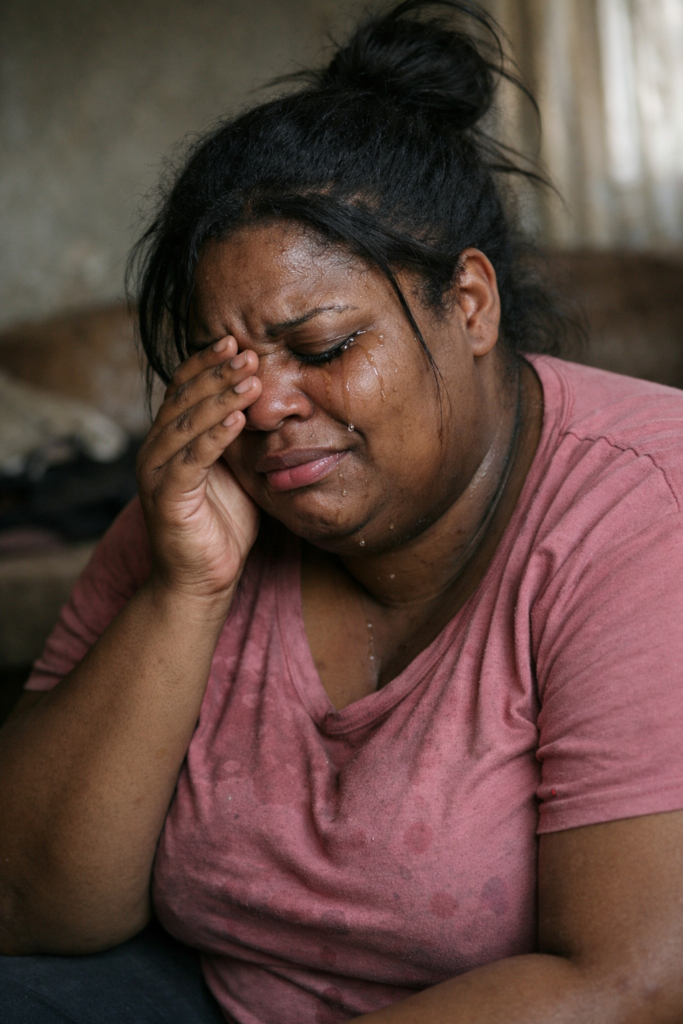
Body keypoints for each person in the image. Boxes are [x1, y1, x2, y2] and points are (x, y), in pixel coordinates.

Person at [1, 1, 683, 1021]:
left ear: (469, 304)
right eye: (220, 363)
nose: (262, 408)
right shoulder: (208, 485)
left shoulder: (639, 506)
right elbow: (32, 905)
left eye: (319, 348)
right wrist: (184, 588)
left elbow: (632, 982)